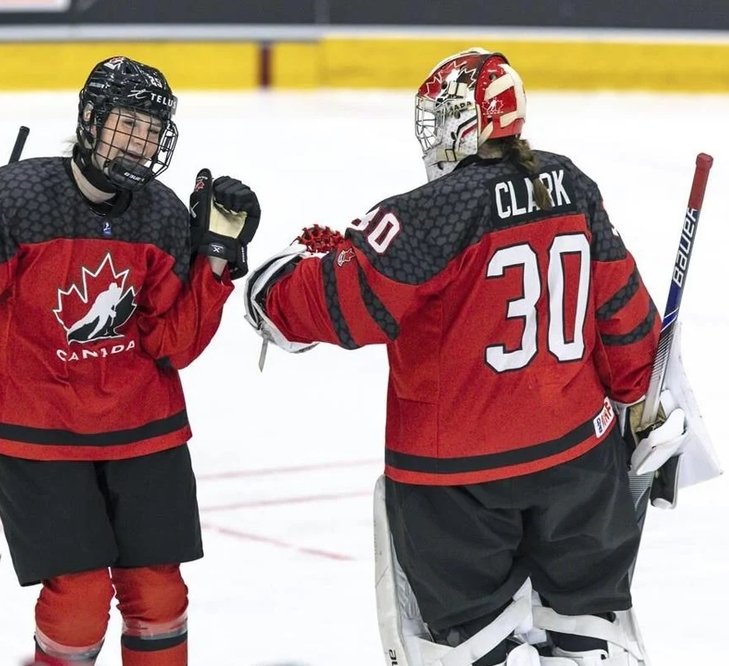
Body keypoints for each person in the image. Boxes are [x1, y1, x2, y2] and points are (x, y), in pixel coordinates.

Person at [243, 48, 703, 666]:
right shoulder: (571, 184)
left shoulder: (430, 212)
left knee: (465, 645)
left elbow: (350, 306)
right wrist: (639, 401)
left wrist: (271, 290)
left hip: (458, 483)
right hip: (580, 466)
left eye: (439, 119)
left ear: (469, 122)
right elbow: (622, 308)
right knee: (590, 632)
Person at [0, 55, 260, 666]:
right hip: (35, 429)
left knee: (159, 595)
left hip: (142, 426)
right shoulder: (16, 200)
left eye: (152, 129)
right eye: (127, 123)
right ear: (89, 119)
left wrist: (214, 259)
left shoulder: (161, 214)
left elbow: (173, 345)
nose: (140, 142)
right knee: (78, 603)